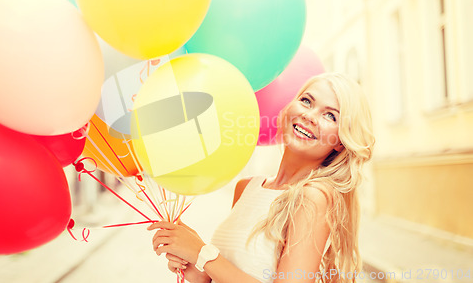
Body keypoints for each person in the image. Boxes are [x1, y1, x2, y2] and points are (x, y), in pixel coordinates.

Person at [148, 73, 375, 283]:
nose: (310, 116)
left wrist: (202, 253)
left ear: (339, 142)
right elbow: (226, 274)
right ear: (289, 108)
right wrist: (195, 264)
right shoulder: (247, 187)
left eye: (330, 115)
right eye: (306, 101)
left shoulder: (313, 197)